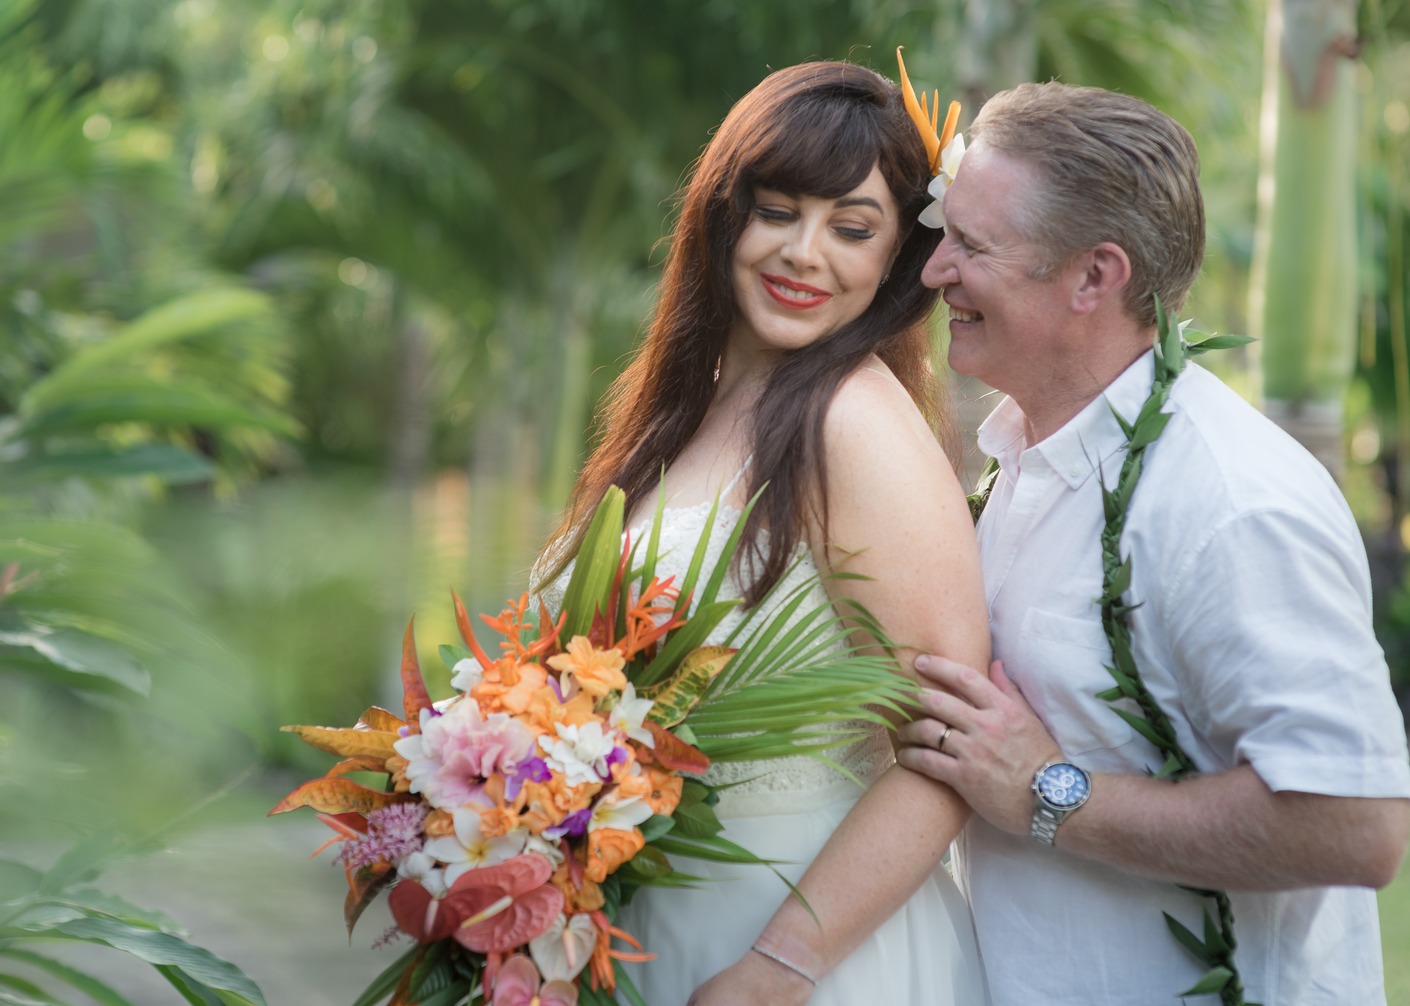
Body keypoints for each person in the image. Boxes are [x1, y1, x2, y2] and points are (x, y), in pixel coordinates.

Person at [894, 80, 1410, 1004]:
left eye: (972, 245)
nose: (935, 270)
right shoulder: (1020, 451)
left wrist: (1051, 794)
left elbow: (1356, 825)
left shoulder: (1233, 505)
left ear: (1096, 276)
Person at [534, 61, 991, 1004]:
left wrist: (778, 969)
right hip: (646, 928)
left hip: (801, 945)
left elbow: (947, 753)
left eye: (852, 228)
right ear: (722, 213)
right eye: (777, 210)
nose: (804, 253)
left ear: (899, 255)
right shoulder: (680, 416)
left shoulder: (854, 422)